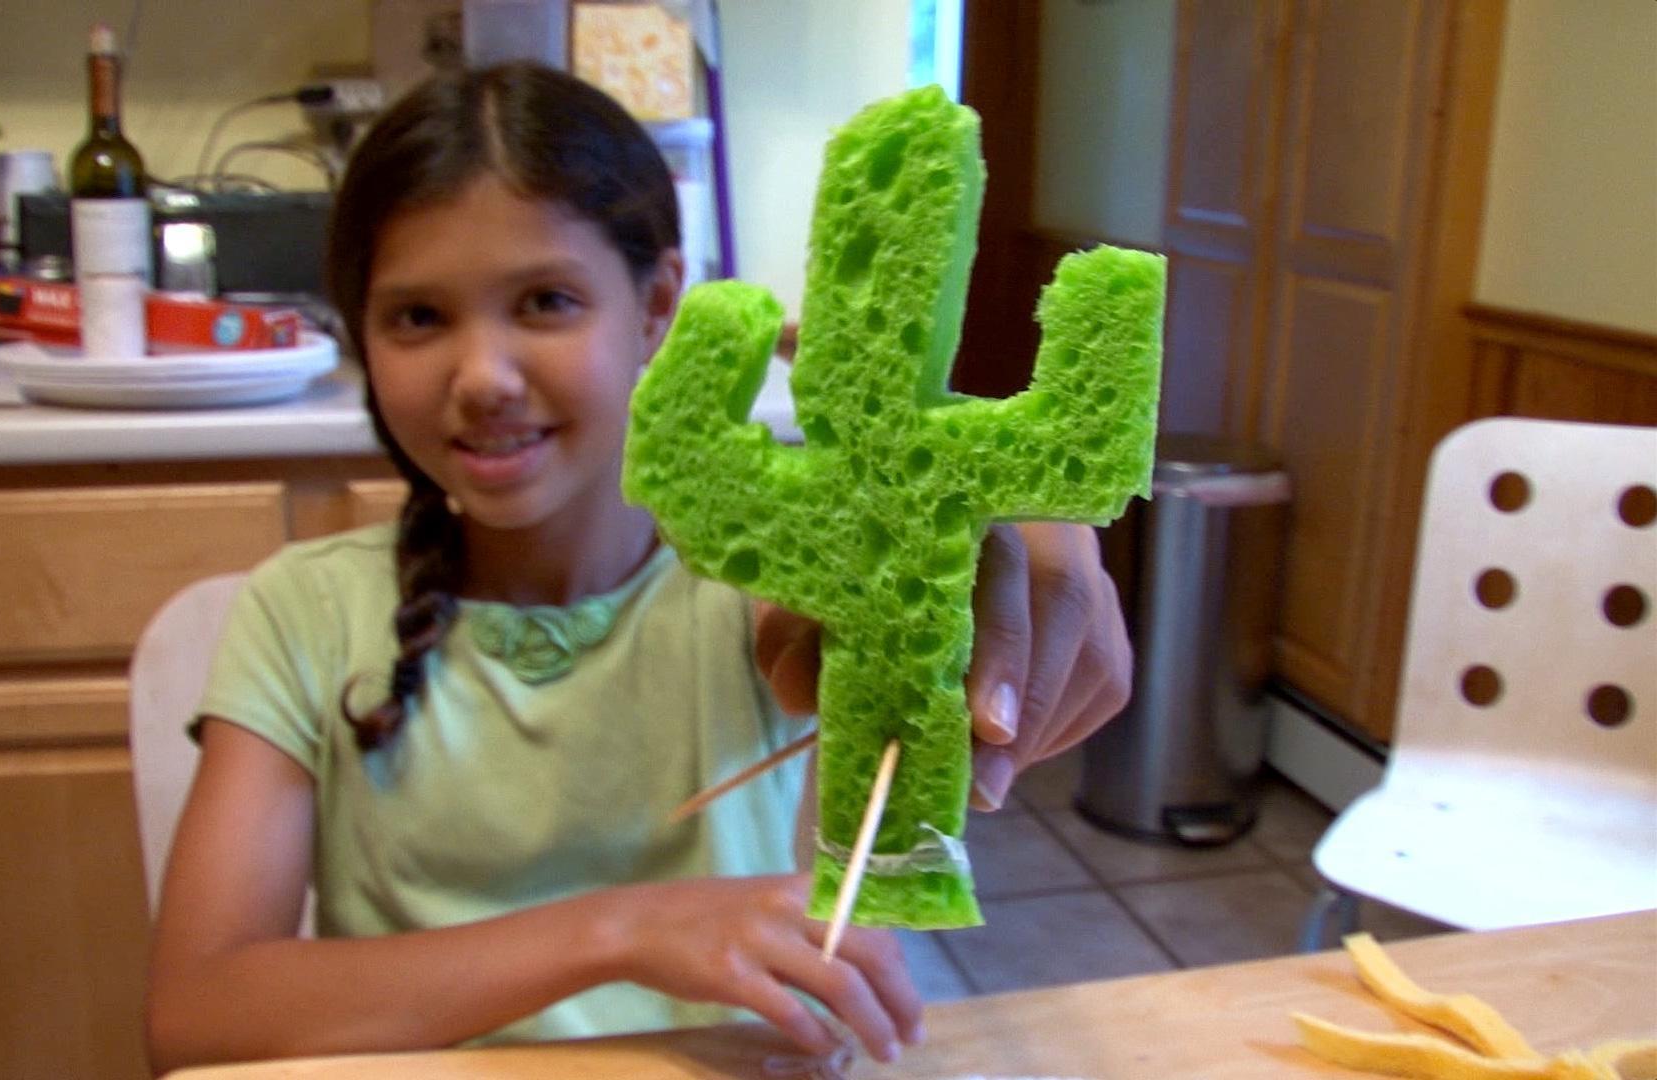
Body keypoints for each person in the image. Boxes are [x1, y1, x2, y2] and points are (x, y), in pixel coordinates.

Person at [145, 62, 1131, 1073]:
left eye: (545, 301)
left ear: (659, 301)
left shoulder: (759, 588)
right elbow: (198, 1011)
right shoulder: (299, 614)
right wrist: (623, 929)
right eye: (418, 318)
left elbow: (907, 582)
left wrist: (999, 556)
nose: (482, 377)